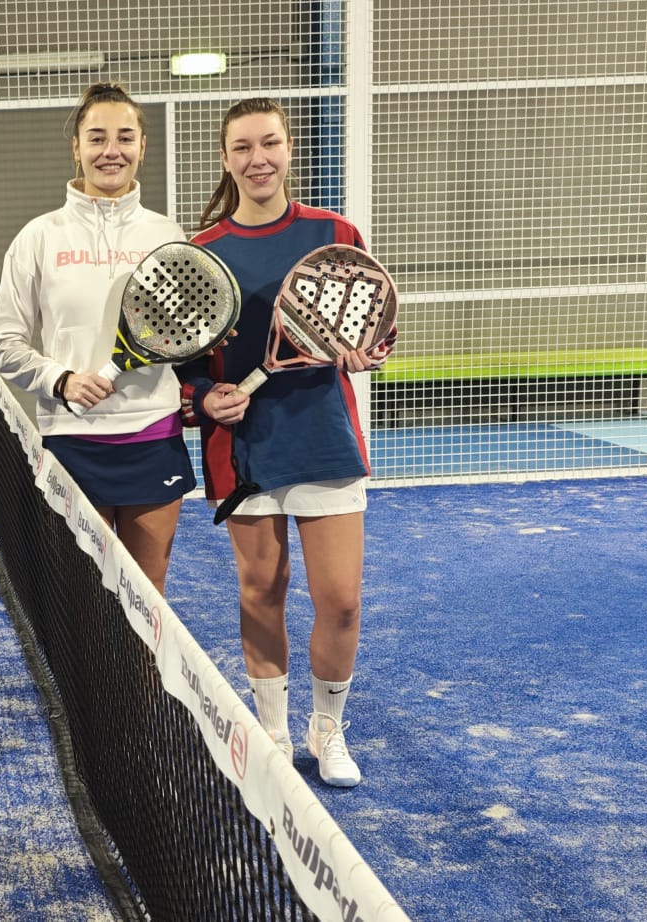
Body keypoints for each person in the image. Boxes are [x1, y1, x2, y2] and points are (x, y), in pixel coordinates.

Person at [178, 98, 396, 787]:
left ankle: (327, 728)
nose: (258, 159)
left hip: (324, 441)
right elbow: (187, 366)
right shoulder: (202, 252)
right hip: (245, 450)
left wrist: (368, 353)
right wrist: (205, 399)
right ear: (225, 159)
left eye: (269, 143)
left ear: (289, 148)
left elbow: (371, 322)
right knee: (260, 591)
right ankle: (271, 730)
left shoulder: (334, 232)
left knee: (341, 601)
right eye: (242, 147)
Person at [0, 82, 195, 590]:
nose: (111, 151)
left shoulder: (167, 235)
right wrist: (61, 381)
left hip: (153, 435)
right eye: (97, 138)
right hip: (71, 440)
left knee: (147, 597)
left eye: (125, 137)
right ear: (76, 147)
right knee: (84, 600)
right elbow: (4, 343)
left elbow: (183, 335)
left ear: (142, 146)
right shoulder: (38, 237)